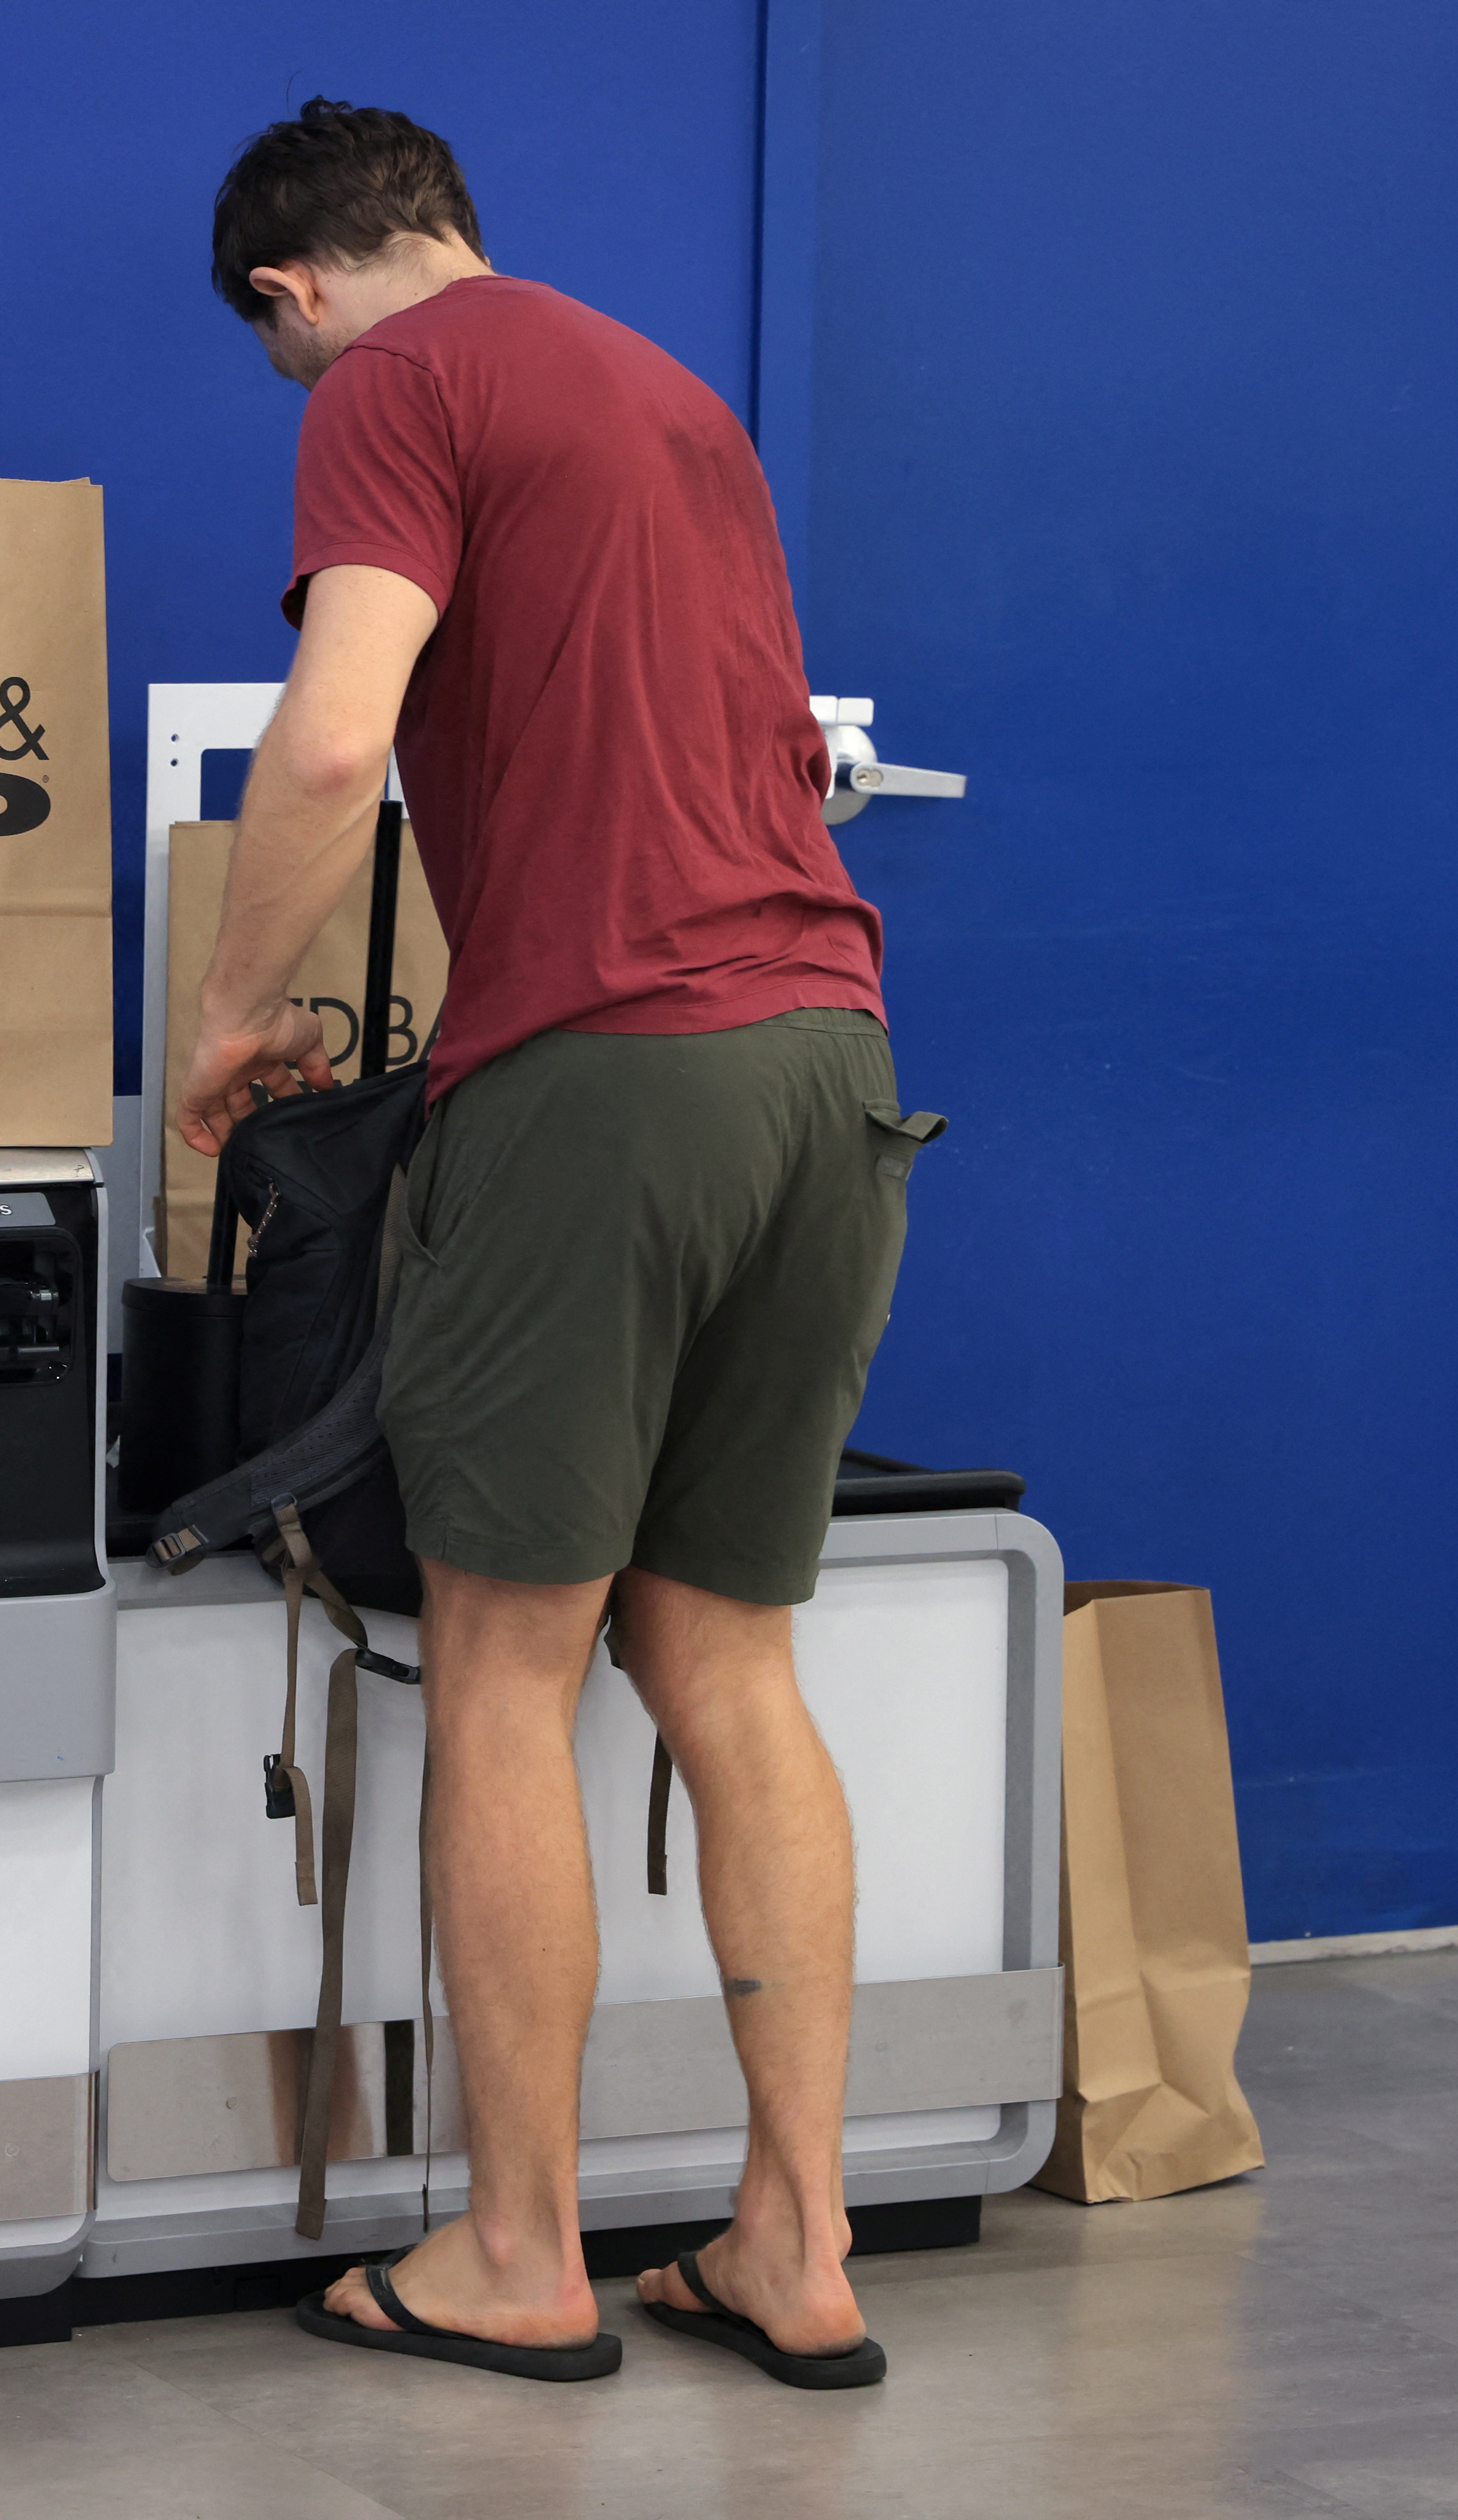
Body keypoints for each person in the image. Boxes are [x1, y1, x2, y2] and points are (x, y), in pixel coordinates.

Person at [175, 98, 921, 2390]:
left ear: (294, 296)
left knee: (504, 1669)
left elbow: (325, 750)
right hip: (823, 1051)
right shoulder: (662, 392)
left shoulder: (397, 388)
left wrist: (224, 1020)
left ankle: (513, 2249)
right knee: (729, 1668)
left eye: (276, 359)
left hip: (597, 1071)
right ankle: (793, 2242)